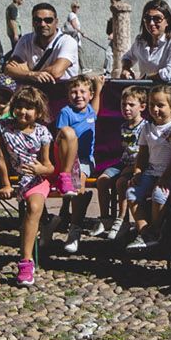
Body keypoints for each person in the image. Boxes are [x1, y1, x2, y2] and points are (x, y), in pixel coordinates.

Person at [0, 86, 55, 287]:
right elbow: (0, 157)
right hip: (15, 178)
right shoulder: (2, 128)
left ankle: (25, 261)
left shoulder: (42, 133)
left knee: (34, 207)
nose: (23, 112)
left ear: (38, 112)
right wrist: (5, 183)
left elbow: (48, 166)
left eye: (29, 108)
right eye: (20, 107)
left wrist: (41, 169)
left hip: (36, 179)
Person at [125, 84, 171, 251]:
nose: (155, 109)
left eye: (160, 105)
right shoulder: (147, 127)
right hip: (153, 171)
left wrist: (166, 176)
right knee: (132, 192)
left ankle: (155, 229)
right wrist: (138, 172)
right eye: (152, 104)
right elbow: (143, 153)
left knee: (159, 194)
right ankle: (145, 231)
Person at [49, 74, 99, 252]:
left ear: (90, 95)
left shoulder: (90, 111)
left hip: (85, 159)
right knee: (74, 189)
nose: (78, 95)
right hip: (66, 159)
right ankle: (63, 217)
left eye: (83, 91)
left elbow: (96, 109)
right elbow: (60, 138)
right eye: (74, 92)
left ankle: (74, 228)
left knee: (80, 186)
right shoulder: (66, 112)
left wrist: (98, 88)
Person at [93, 87, 147, 239]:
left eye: (131, 105)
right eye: (123, 105)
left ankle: (122, 219)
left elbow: (142, 153)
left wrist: (133, 167)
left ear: (142, 107)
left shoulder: (146, 127)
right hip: (124, 162)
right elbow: (127, 148)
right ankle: (105, 218)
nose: (126, 108)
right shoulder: (124, 126)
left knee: (121, 183)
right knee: (102, 180)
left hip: (138, 165)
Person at [3, 2, 80, 85]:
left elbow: (56, 72)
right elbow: (8, 69)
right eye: (38, 20)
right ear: (33, 22)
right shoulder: (25, 40)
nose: (43, 24)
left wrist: (24, 72)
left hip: (62, 92)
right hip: (34, 92)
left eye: (48, 20)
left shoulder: (67, 42)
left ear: (56, 22)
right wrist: (31, 74)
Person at [121, 0, 171, 81]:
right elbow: (127, 57)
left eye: (157, 18)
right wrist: (126, 69)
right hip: (145, 91)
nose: (151, 23)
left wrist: (145, 78)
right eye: (147, 18)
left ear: (167, 21)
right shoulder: (140, 41)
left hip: (166, 92)